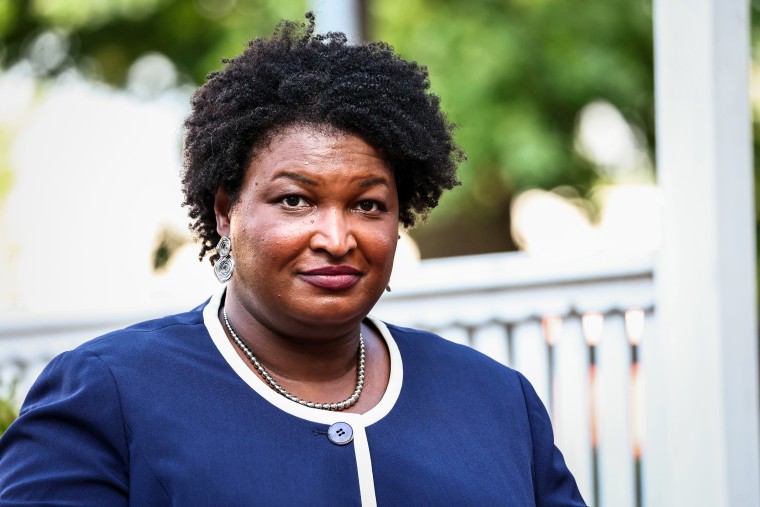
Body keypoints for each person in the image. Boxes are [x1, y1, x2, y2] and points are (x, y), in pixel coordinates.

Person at [0, 14, 585, 506]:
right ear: (226, 211)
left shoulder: (495, 400)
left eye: (368, 204)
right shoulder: (109, 394)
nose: (336, 237)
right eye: (295, 200)